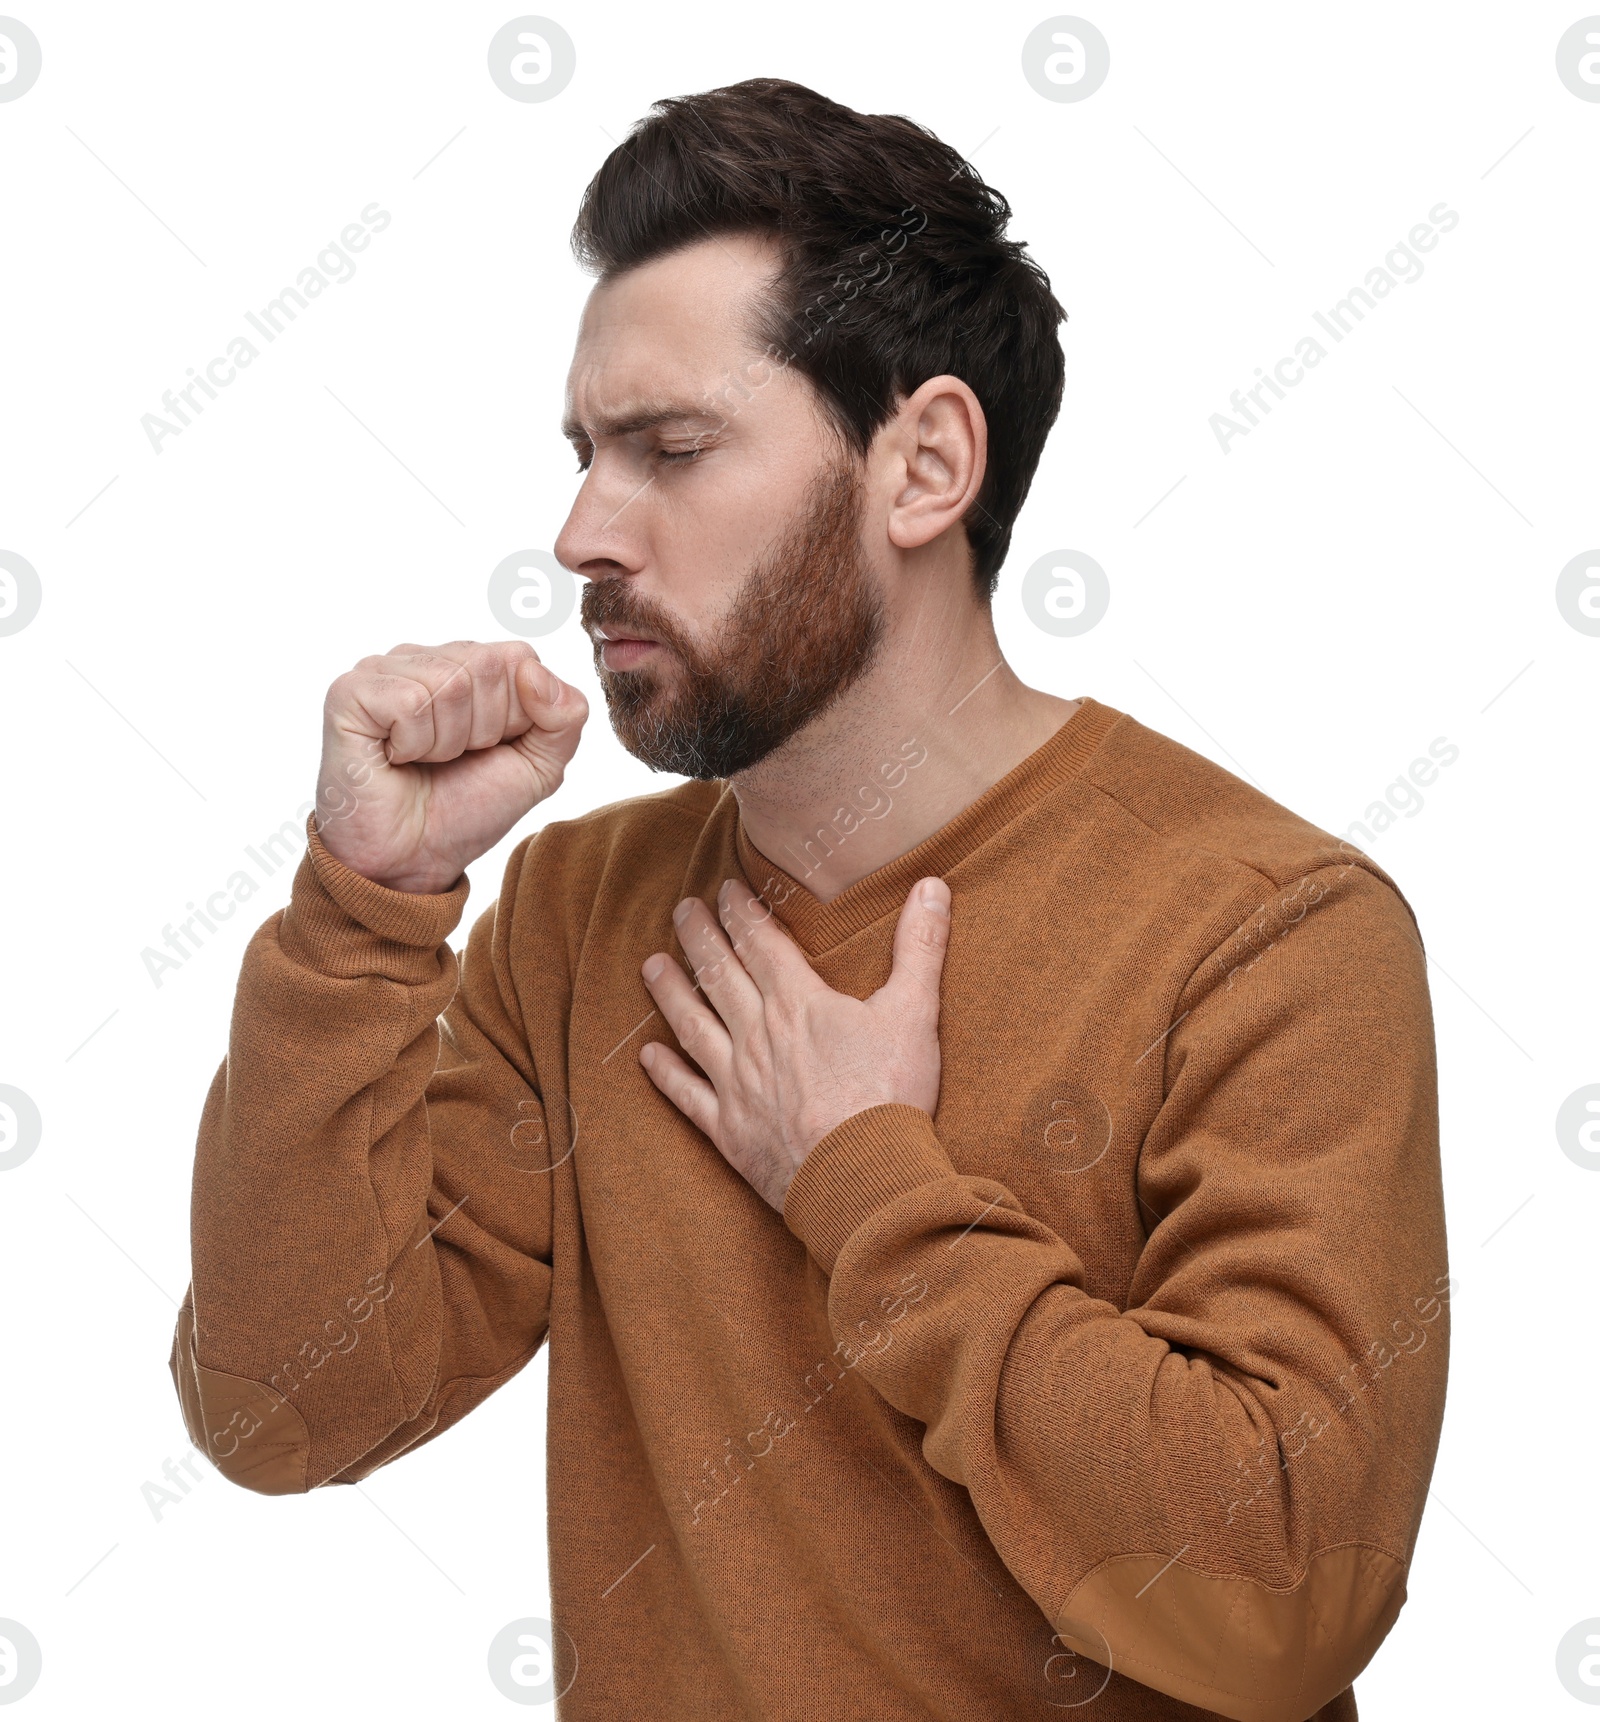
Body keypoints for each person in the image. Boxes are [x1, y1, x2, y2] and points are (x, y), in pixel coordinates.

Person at [169, 78, 1449, 1721]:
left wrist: (865, 1180)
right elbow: (286, 1407)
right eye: (583, 454)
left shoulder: (1273, 928)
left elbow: (1281, 1608)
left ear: (922, 466)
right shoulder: (576, 912)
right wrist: (367, 905)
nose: (577, 532)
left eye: (672, 450)